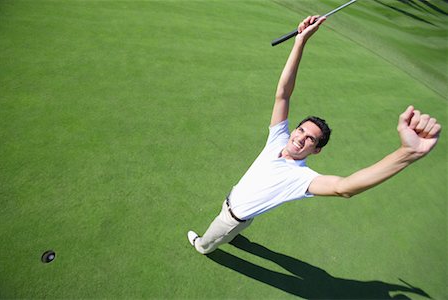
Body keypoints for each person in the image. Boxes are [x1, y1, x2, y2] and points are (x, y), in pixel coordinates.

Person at [187, 15, 442, 255]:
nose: (300, 137)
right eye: (301, 130)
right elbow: (283, 94)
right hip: (235, 203)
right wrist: (300, 41)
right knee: (231, 226)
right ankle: (230, 235)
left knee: (208, 242)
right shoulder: (278, 138)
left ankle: (204, 245)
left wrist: (407, 153)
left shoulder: (300, 177)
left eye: (310, 139)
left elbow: (344, 188)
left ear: (316, 150)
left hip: (232, 219)